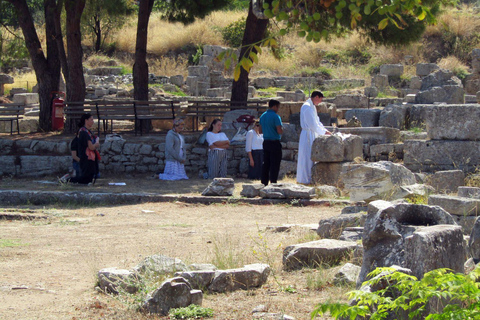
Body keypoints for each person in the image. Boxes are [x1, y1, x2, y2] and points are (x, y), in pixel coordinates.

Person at [296, 91, 332, 185]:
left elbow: (317, 122)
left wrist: (325, 130)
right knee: (307, 157)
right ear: (316, 97)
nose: (320, 102)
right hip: (308, 134)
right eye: (320, 99)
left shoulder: (312, 107)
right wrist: (324, 132)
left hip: (312, 133)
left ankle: (310, 178)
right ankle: (305, 180)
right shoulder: (307, 107)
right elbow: (312, 125)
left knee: (311, 158)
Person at [63, 113, 101, 185]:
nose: (93, 121)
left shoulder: (88, 132)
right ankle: (67, 180)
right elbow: (90, 147)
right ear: (86, 121)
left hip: (90, 158)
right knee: (85, 179)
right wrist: (96, 144)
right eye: (91, 120)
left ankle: (69, 180)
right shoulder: (84, 132)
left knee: (90, 177)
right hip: (86, 158)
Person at [259, 99, 283, 186]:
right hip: (274, 142)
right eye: (278, 107)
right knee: (275, 163)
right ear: (274, 106)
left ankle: (264, 182)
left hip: (266, 142)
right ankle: (273, 182)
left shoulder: (262, 116)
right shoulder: (276, 117)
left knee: (266, 163)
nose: (278, 109)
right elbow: (279, 130)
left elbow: (260, 131)